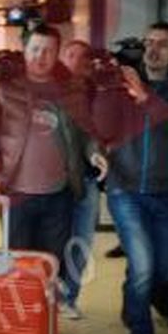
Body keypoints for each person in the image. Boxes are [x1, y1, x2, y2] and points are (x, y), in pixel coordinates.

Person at [0, 25, 107, 320]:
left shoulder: (70, 88)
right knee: (19, 263)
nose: (41, 56)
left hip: (58, 192)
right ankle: (22, 328)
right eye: (35, 49)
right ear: (25, 49)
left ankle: (45, 328)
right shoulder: (7, 83)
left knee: (50, 264)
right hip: (17, 191)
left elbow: (85, 132)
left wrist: (94, 152)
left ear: (57, 53)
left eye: (48, 50)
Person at [95, 21, 168, 334]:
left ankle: (131, 296)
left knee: (163, 270)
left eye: (163, 44)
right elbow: (102, 125)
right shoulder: (120, 84)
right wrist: (110, 86)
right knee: (143, 267)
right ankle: (142, 333)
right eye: (148, 43)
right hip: (124, 189)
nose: (153, 50)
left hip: (163, 191)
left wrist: (145, 97)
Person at [59, 39, 102, 317]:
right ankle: (57, 297)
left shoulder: (98, 92)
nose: (76, 61)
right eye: (71, 54)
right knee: (58, 241)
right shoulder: (52, 91)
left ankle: (69, 298)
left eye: (82, 57)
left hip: (88, 179)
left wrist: (97, 153)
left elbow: (95, 133)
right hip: (59, 182)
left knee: (82, 241)